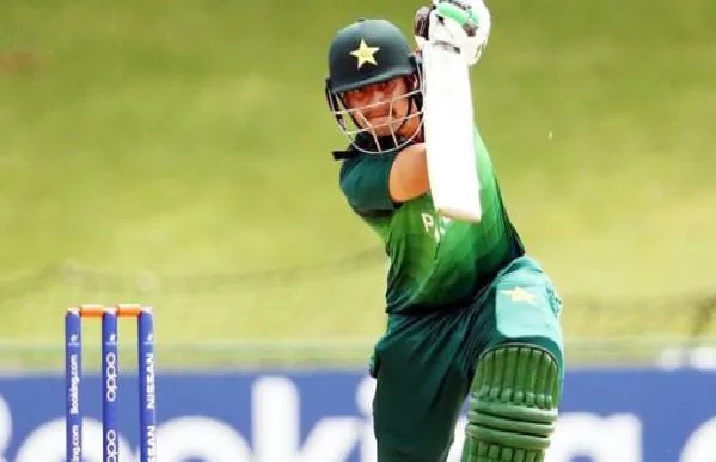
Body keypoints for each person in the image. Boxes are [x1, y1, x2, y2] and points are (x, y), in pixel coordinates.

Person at [324, 2, 565, 461]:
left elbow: (450, 125)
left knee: (525, 351)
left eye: (384, 86)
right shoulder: (359, 176)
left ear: (411, 81)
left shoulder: (447, 100)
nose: (373, 105)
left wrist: (450, 44)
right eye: (357, 95)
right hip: (420, 323)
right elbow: (427, 168)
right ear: (343, 105)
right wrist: (447, 56)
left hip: (498, 282)